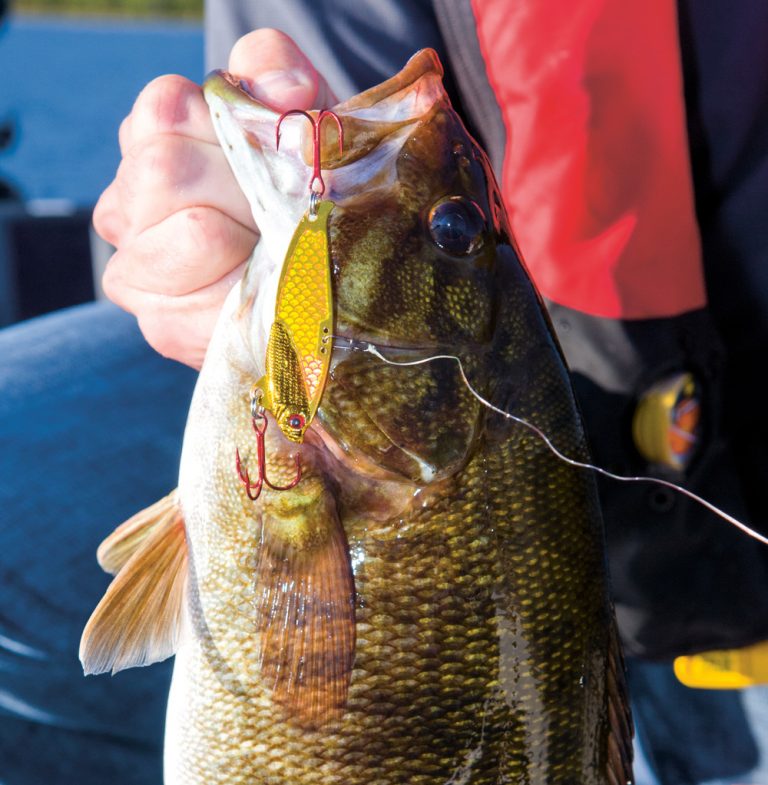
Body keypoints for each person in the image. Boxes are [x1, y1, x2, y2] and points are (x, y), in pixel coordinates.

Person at [3, 2, 768, 783]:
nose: (421, 94)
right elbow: (320, 133)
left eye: (454, 231)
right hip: (537, 505)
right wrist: (204, 225)